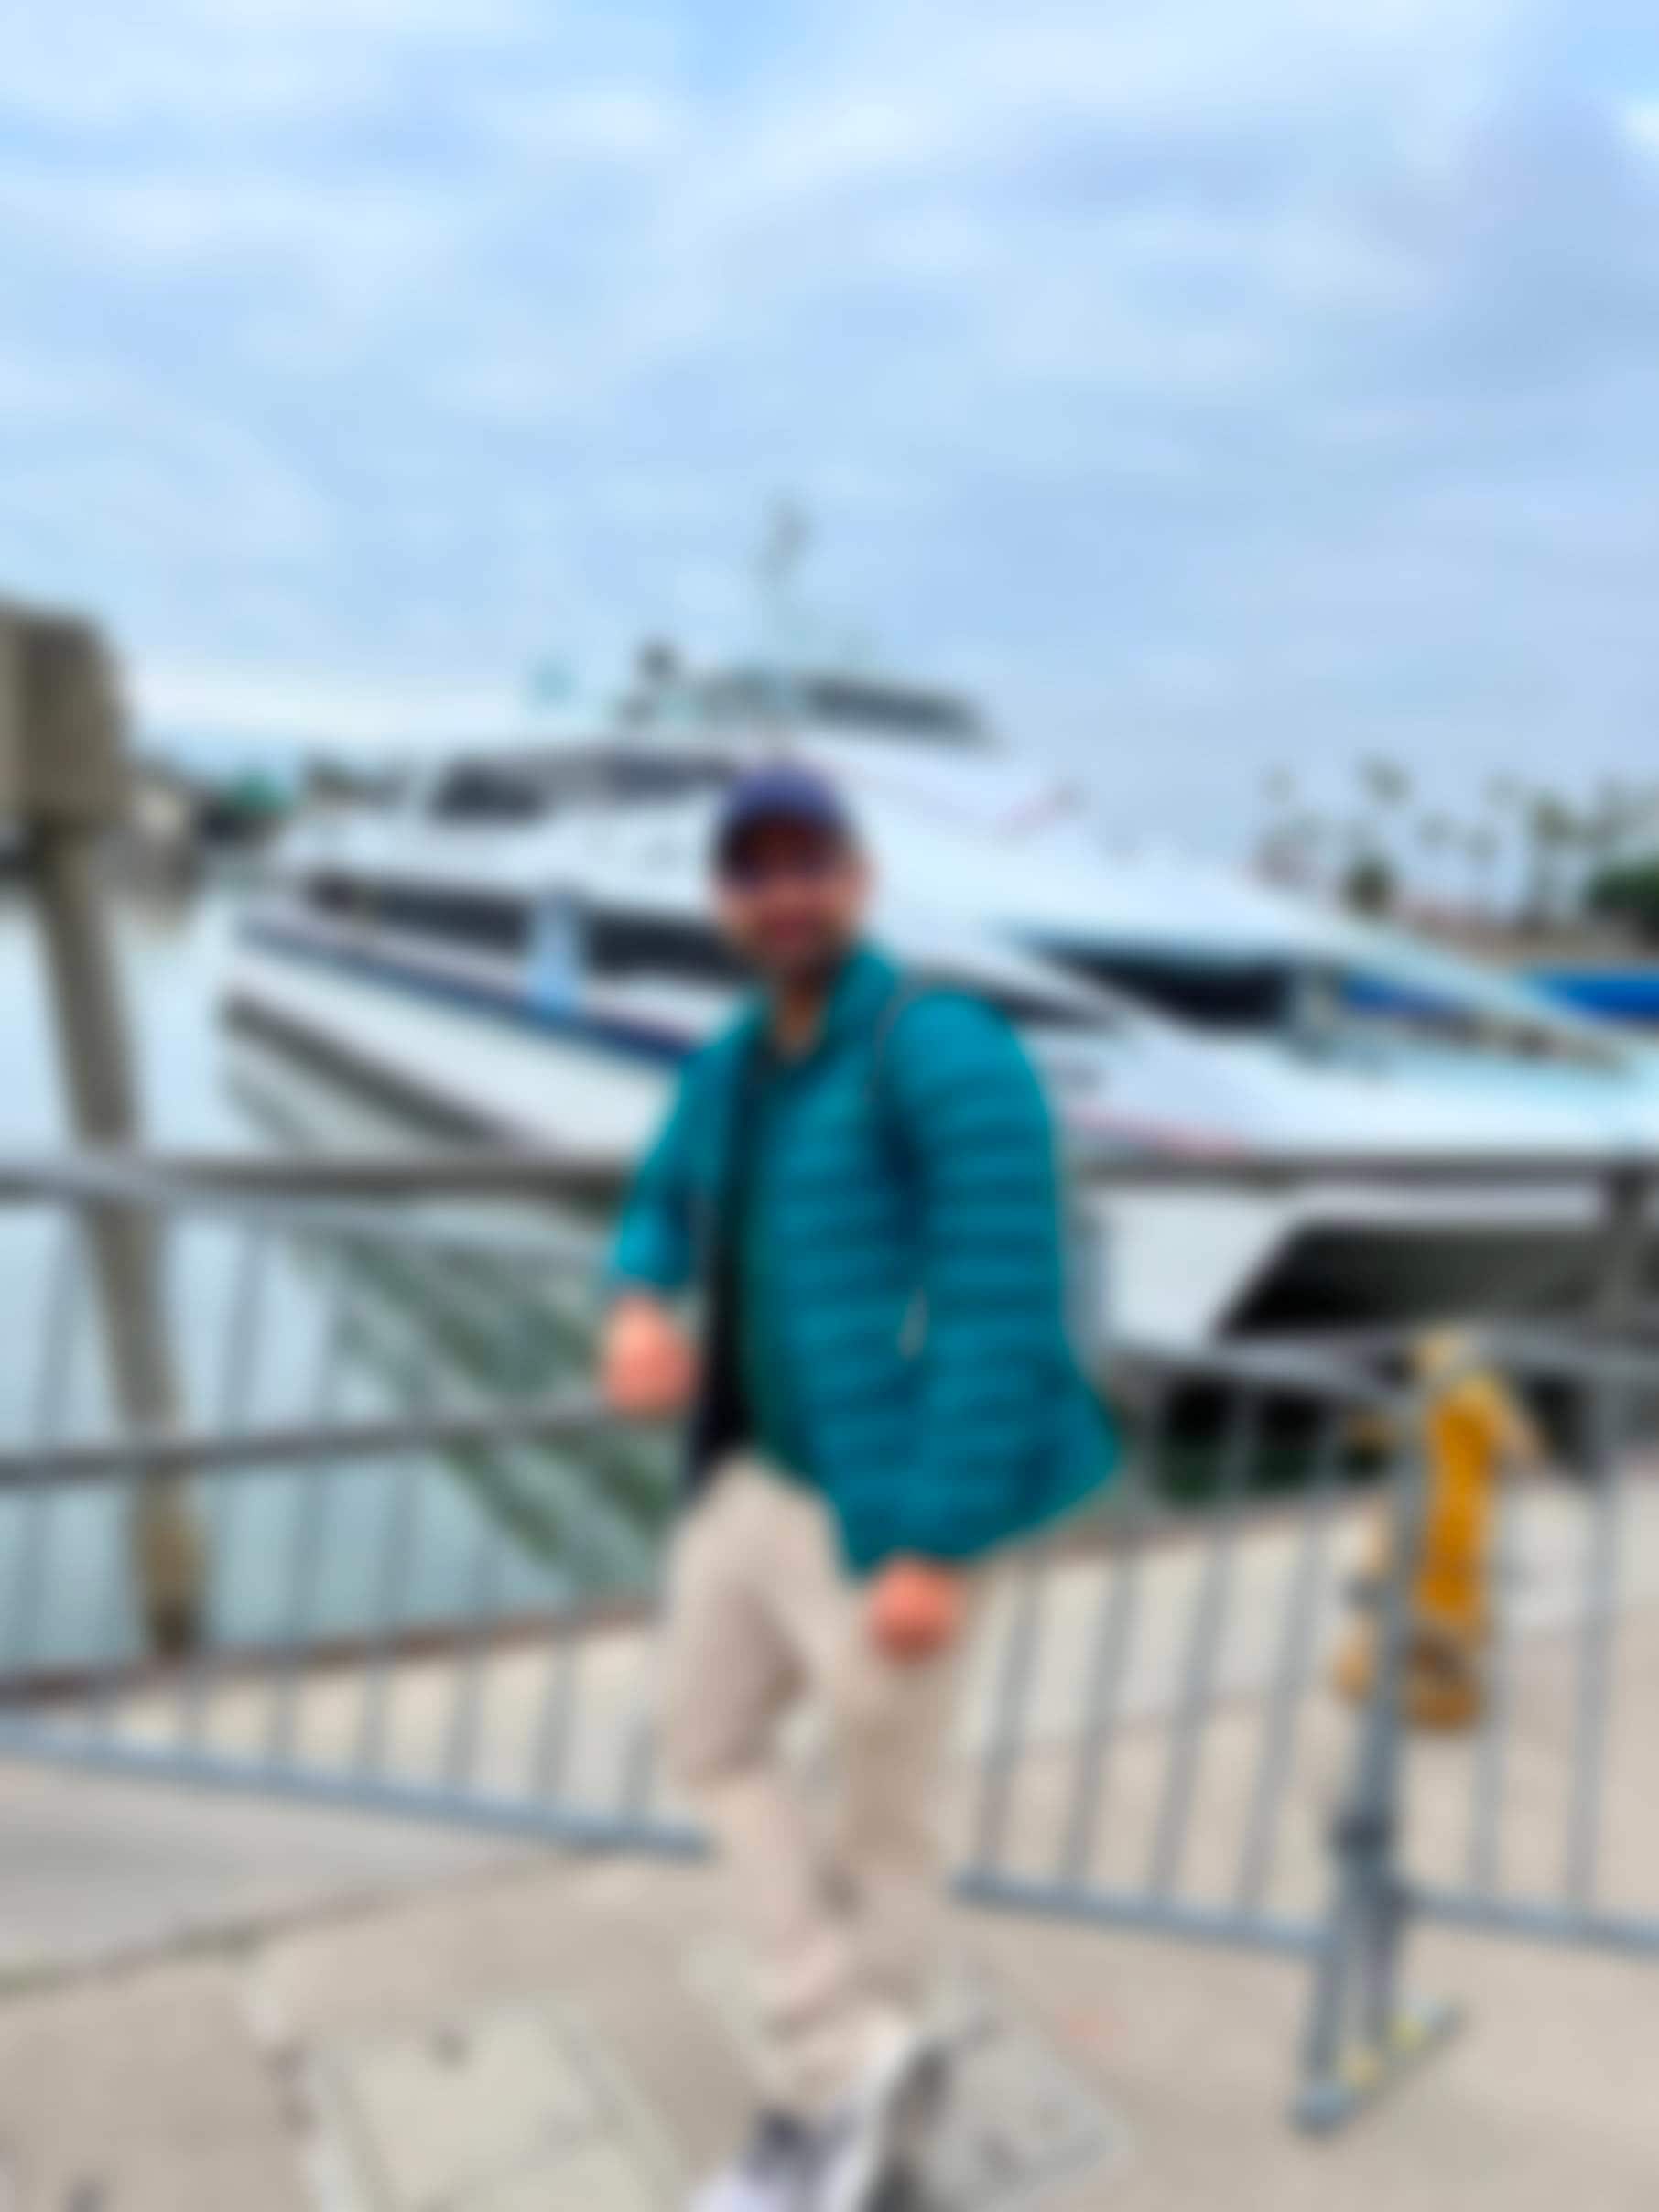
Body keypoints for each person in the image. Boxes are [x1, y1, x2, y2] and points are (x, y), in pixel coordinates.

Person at [601, 762, 1114, 2211]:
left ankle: (830, 2116)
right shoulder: (733, 1064)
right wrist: (636, 1301)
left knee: (881, 1825)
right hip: (752, 1481)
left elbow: (1003, 1310)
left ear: (861, 879)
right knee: (706, 1740)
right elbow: (660, 1197)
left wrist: (937, 1547)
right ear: (723, 899)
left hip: (890, 1511)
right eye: (752, 870)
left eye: (808, 863)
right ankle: (857, 2057)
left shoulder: (942, 1048)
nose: (783, 894)